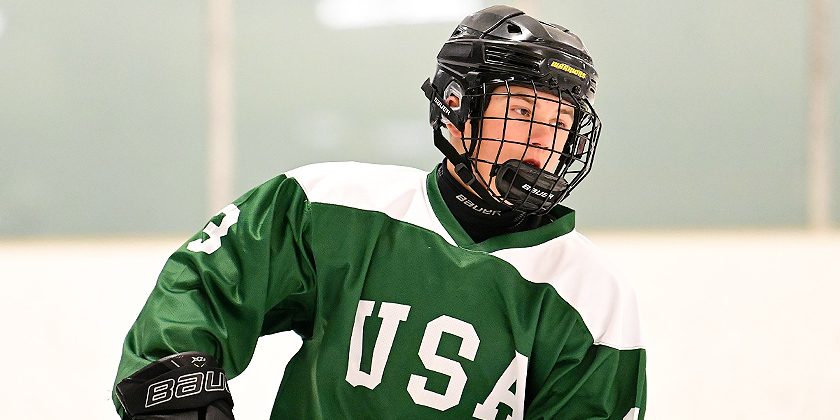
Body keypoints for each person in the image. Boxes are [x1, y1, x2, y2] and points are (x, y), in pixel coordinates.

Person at [113, 5, 646, 420]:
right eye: (524, 113)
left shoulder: (592, 296)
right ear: (457, 110)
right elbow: (205, 285)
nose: (541, 143)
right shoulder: (332, 208)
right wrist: (177, 393)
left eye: (558, 122)